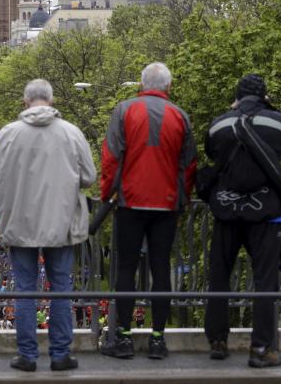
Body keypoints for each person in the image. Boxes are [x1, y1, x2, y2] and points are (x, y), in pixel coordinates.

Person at [0, 79, 96, 372]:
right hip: (61, 223)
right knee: (61, 288)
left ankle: (27, 356)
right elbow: (89, 177)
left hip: (20, 222)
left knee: (25, 289)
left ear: (25, 102)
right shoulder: (72, 133)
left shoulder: (9, 133)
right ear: (52, 100)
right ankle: (60, 355)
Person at [203, 74, 281, 368]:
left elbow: (212, 151)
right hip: (266, 213)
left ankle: (218, 342)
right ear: (264, 96)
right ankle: (261, 349)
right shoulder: (277, 120)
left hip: (227, 211)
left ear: (236, 96)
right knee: (265, 282)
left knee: (219, 276)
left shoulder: (220, 123)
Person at [100, 62, 196, 360]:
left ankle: (124, 337)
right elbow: (189, 165)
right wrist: (182, 200)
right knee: (161, 269)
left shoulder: (124, 110)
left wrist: (107, 196)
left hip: (130, 201)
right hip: (166, 204)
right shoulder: (181, 116)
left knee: (126, 269)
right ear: (168, 87)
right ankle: (157, 339)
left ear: (142, 84)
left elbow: (111, 157)